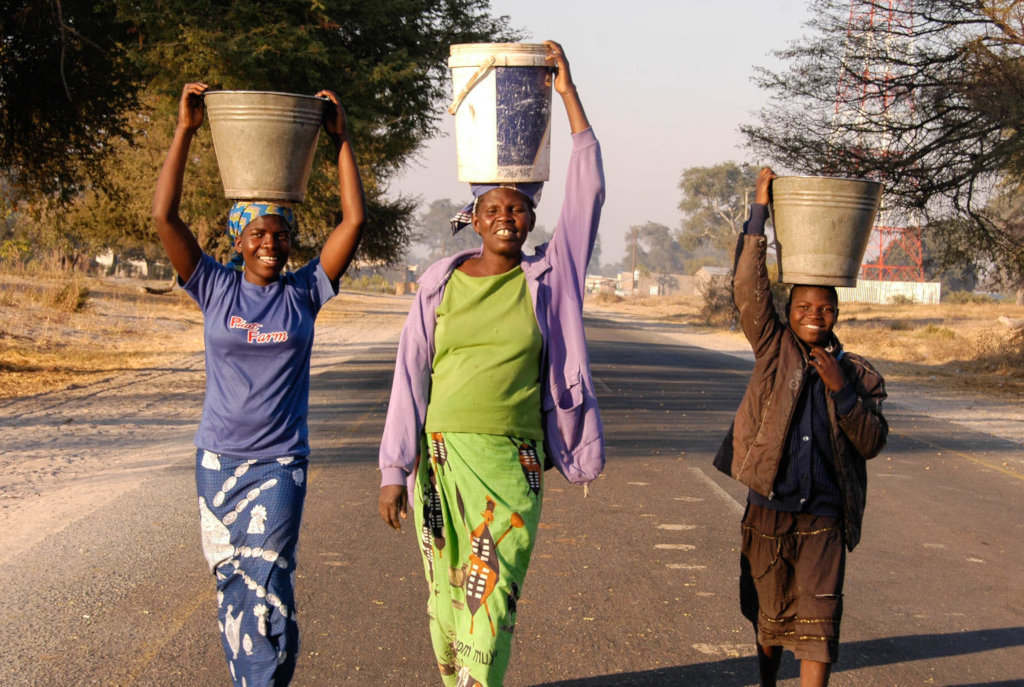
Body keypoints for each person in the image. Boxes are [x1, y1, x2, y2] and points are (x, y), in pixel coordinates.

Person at [377, 41, 604, 687]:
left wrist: (567, 93)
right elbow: (409, 380)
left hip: (513, 460)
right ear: (473, 218)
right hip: (441, 457)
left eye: (518, 208)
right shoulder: (438, 283)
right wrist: (394, 469)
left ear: (532, 219)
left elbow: (589, 192)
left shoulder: (551, 277)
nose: (507, 217)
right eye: (494, 209)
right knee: (448, 595)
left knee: (493, 595)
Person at [152, 82, 365, 687]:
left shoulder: (305, 292)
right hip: (218, 461)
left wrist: (341, 140)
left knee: (265, 576)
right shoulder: (213, 286)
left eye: (281, 235)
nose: (271, 244)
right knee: (231, 577)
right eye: (259, 235)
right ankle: (262, 673)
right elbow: (164, 217)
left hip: (279, 462)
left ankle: (261, 679)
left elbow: (354, 220)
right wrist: (186, 130)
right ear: (239, 240)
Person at [713, 167, 888, 687]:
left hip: (826, 517)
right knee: (769, 617)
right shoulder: (773, 349)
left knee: (820, 626)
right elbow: (749, 289)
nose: (815, 314)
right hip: (769, 509)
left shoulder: (858, 374)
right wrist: (759, 211)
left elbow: (872, 442)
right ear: (788, 311)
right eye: (804, 306)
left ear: (837, 314)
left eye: (825, 308)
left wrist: (841, 389)